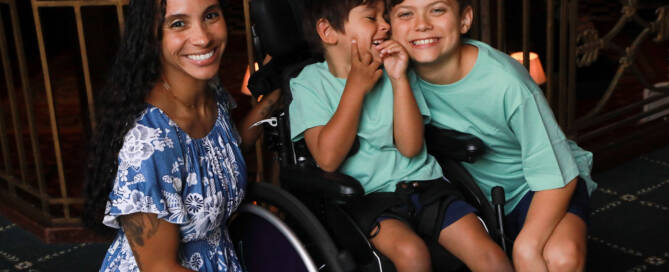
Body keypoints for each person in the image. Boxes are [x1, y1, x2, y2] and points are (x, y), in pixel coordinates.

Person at [289, 0, 512, 271]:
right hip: (371, 198)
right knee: (412, 254)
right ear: (328, 32)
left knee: (489, 254)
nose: (386, 25)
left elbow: (410, 147)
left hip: (426, 184)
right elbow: (327, 159)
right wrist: (355, 88)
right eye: (372, 18)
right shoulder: (309, 84)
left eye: (385, 17)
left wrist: (399, 79)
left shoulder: (397, 68)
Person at [386, 0, 598, 271]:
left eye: (437, 10)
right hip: (471, 193)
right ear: (388, 26)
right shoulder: (396, 75)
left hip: (539, 186)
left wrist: (527, 246)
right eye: (405, 14)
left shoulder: (506, 82)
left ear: (464, 20)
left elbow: (555, 170)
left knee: (559, 257)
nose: (421, 24)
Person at [83, 0, 279, 271]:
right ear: (152, 36)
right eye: (178, 23)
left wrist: (273, 99)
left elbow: (223, 153)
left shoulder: (208, 88)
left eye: (210, 15)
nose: (202, 38)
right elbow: (159, 267)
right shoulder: (149, 140)